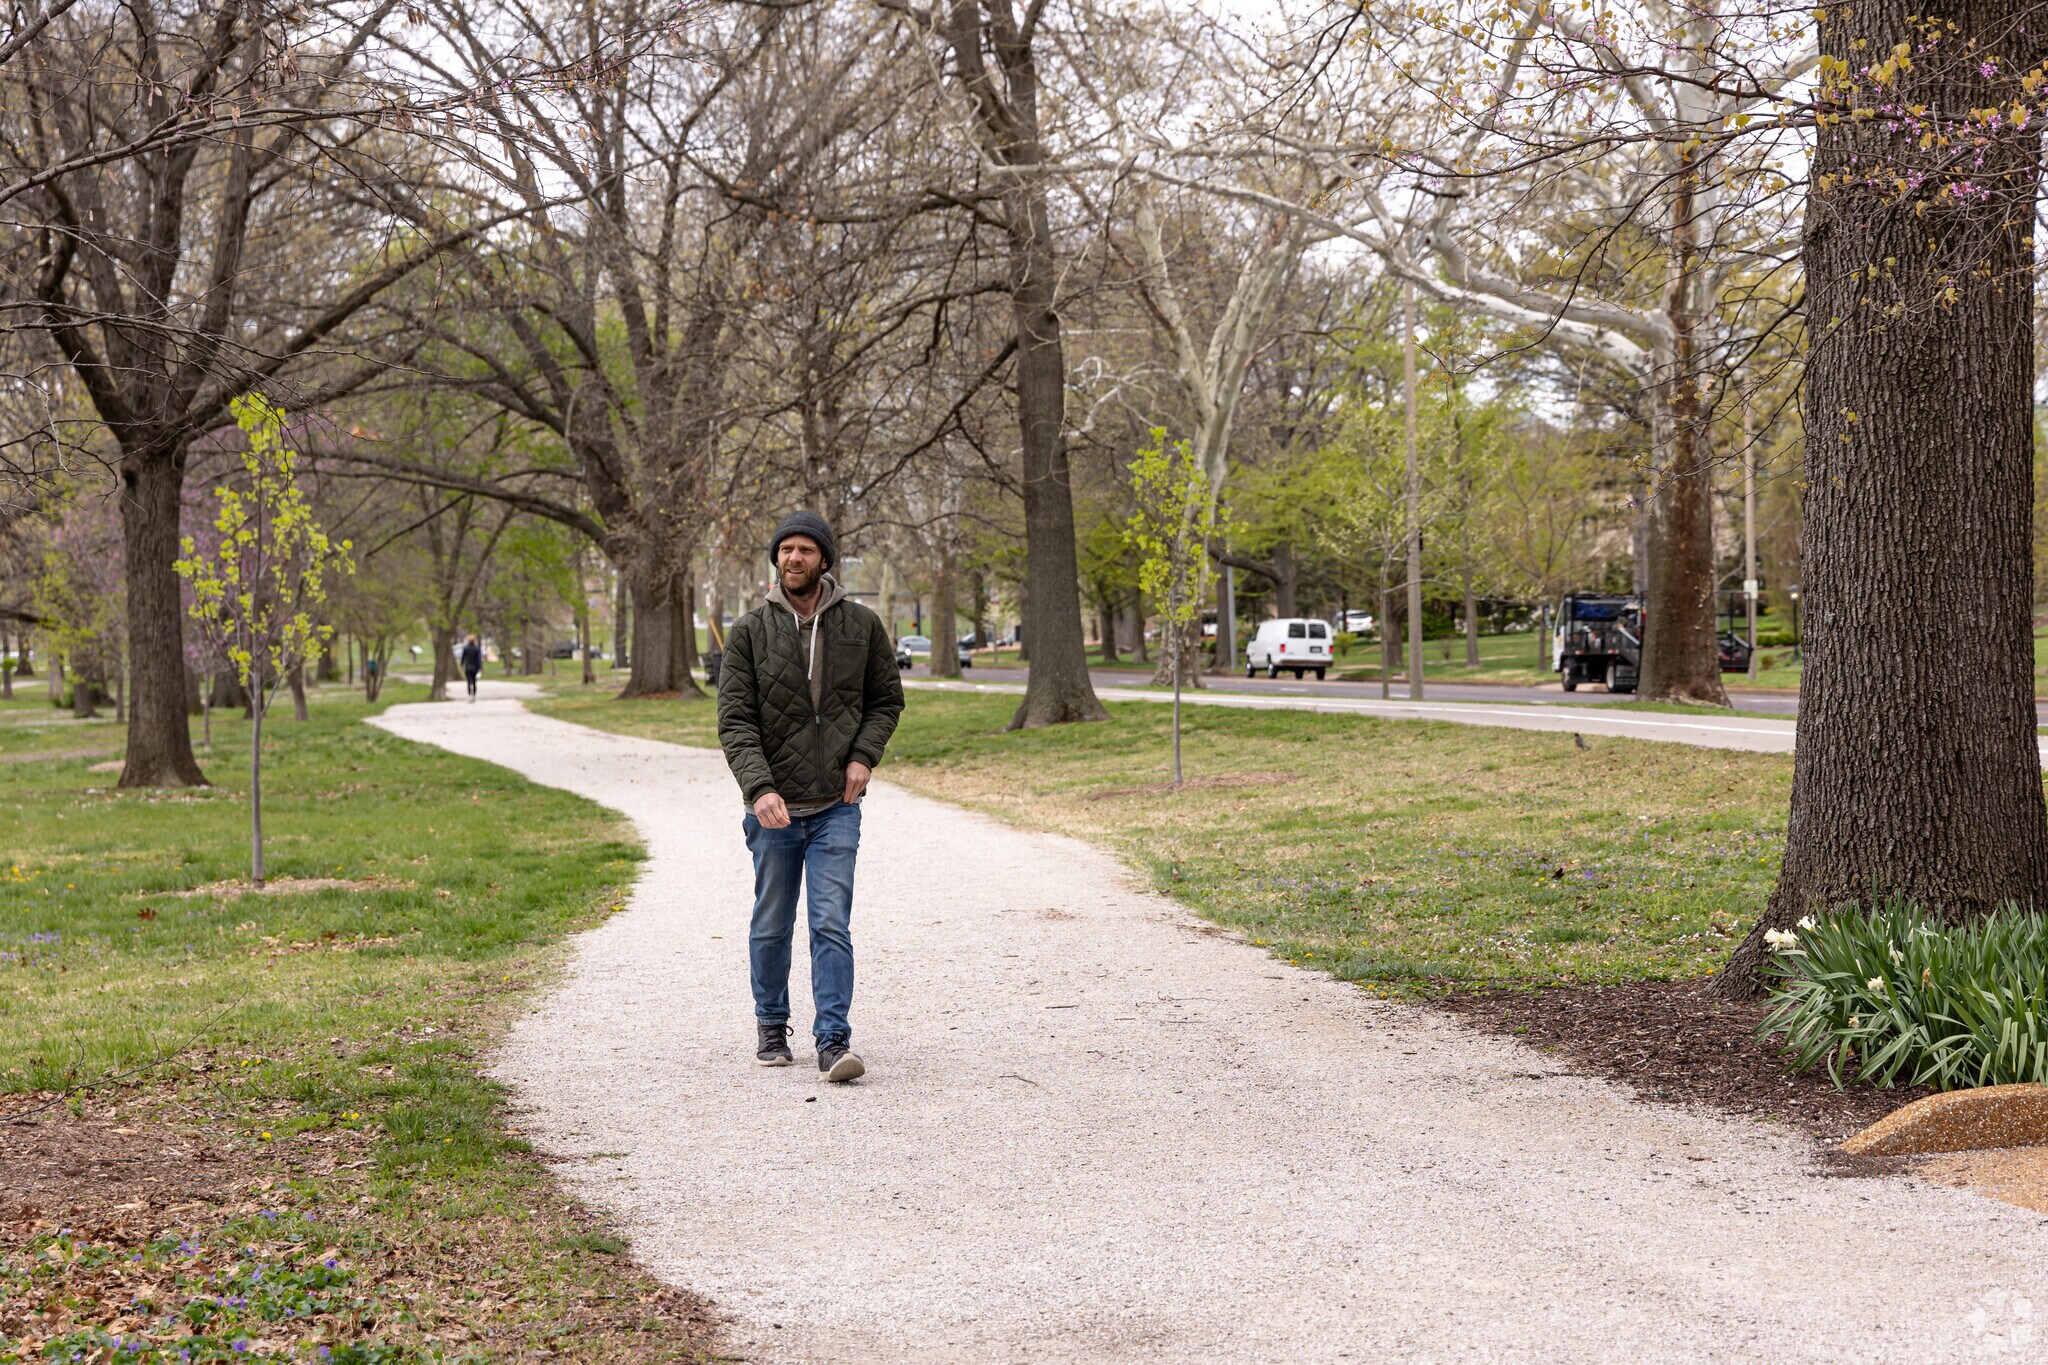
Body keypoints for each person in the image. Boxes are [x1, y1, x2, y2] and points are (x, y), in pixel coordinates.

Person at [717, 511, 902, 1082]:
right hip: (773, 809)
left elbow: (886, 702)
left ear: (825, 560)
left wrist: (863, 757)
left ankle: (833, 1040)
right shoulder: (749, 632)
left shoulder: (861, 626)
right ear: (776, 559)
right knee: (772, 920)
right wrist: (759, 787)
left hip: (835, 807)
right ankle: (772, 1026)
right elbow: (735, 721)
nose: (793, 558)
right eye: (785, 550)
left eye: (805, 550)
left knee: (830, 921)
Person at [460, 635, 483, 701]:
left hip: (468, 667)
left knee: (469, 682)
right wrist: (480, 667)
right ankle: (474, 695)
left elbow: (463, 658)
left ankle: (470, 694)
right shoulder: (476, 648)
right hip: (475, 668)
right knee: (474, 682)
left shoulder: (466, 648)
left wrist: (462, 665)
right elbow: (478, 659)